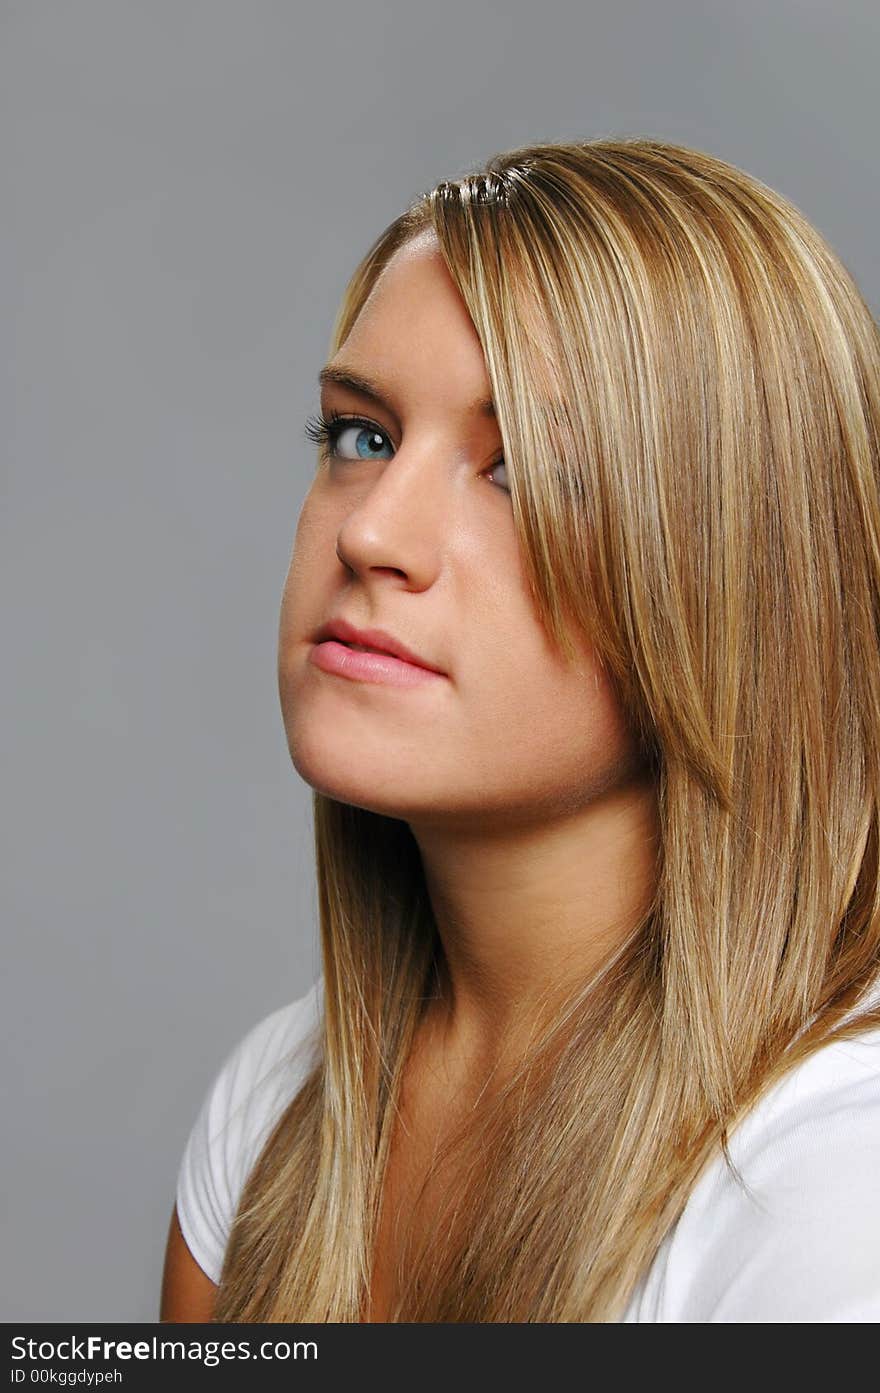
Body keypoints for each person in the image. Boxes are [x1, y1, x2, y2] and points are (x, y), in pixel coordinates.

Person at [160, 137, 880, 1323]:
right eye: (363, 435)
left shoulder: (826, 1195)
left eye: (523, 470)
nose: (374, 532)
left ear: (743, 580)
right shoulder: (273, 1115)